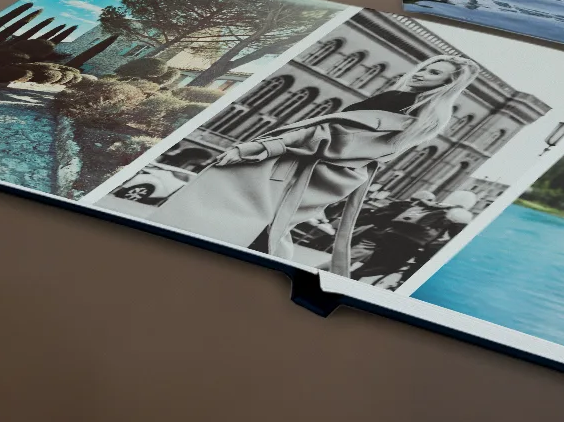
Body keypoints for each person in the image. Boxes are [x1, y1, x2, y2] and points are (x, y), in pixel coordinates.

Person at [146, 55, 479, 276]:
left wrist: (257, 147)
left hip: (289, 169)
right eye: (426, 66)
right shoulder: (419, 121)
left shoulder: (396, 103)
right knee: (262, 228)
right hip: (316, 180)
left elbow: (329, 135)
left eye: (434, 72)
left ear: (445, 85)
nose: (423, 72)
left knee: (224, 208)